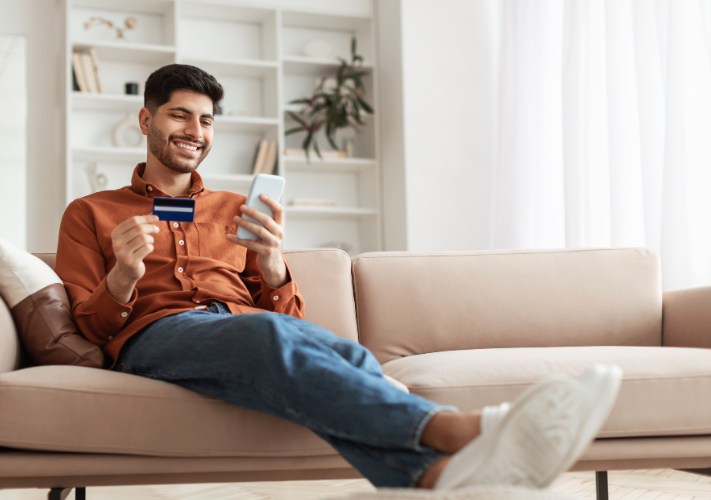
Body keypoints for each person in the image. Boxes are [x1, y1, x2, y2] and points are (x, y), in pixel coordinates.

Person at [55, 64, 622, 490]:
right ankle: (455, 429)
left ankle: (434, 477)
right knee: (269, 338)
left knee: (351, 357)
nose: (195, 130)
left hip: (241, 328)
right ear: (146, 118)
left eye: (206, 120)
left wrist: (275, 267)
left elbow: (288, 322)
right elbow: (90, 327)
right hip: (157, 334)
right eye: (180, 114)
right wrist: (124, 277)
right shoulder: (90, 212)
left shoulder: (236, 208)